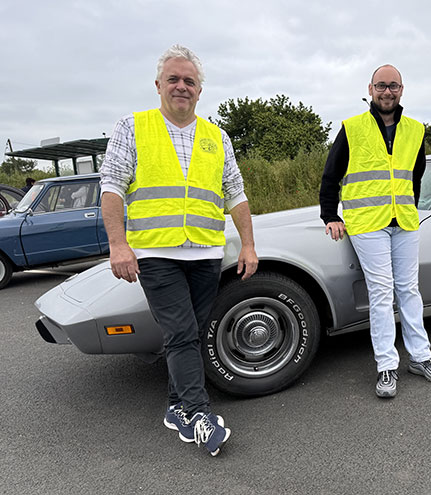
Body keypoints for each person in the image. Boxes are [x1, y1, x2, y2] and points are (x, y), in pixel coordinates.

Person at [100, 44, 258, 456]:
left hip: (205, 252)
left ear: (200, 91)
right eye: (174, 79)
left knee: (190, 333)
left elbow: (235, 193)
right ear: (158, 85)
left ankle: (175, 406)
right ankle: (198, 414)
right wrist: (118, 245)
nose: (182, 86)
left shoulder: (216, 136)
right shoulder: (132, 127)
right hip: (157, 254)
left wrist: (248, 245)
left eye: (190, 81)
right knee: (182, 332)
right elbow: (112, 187)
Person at [319, 64, 431, 399]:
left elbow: (415, 177)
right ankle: (386, 366)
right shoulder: (353, 127)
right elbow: (330, 176)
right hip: (367, 223)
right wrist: (329, 215)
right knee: (381, 292)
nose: (387, 92)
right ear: (371, 89)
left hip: (404, 221)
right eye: (381, 86)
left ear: (402, 90)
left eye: (393, 86)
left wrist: (413, 210)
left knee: (409, 289)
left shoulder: (415, 130)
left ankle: (421, 357)